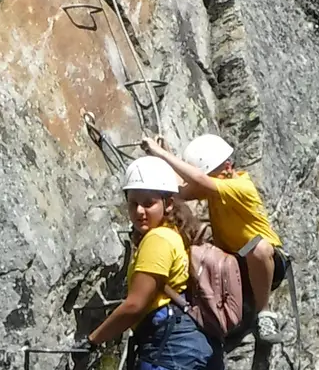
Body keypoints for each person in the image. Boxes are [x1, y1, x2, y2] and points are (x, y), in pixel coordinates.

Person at [146, 134, 290, 343]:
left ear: (226, 168)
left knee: (258, 248)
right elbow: (182, 191)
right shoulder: (218, 187)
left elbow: (200, 180)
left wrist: (161, 153)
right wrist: (165, 158)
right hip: (234, 266)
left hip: (267, 263)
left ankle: (264, 313)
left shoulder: (240, 186)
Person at [85, 156, 216, 370]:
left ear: (168, 203)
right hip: (191, 346)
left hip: (168, 351)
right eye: (133, 203)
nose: (139, 211)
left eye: (148, 203)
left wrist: (93, 340)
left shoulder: (158, 240)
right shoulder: (175, 234)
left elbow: (135, 305)